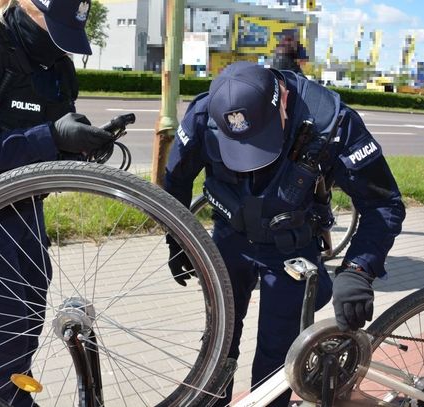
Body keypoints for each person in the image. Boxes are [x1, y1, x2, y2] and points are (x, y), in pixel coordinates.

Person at [164, 61, 406, 406]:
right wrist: (177, 239)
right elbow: (175, 180)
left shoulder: (332, 123)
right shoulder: (205, 114)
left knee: (277, 360)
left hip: (291, 248)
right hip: (229, 239)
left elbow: (384, 204)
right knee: (218, 344)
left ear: (283, 100)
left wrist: (358, 269)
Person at [0, 0, 113, 405]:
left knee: (17, 350)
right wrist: (52, 137)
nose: (57, 43)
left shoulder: (53, 65)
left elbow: (47, 140)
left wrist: (80, 145)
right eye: (51, 27)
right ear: (27, 8)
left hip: (26, 219)